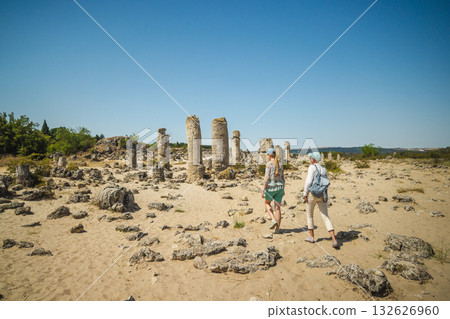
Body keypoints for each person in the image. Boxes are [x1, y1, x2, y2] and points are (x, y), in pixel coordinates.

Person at [303, 152, 338, 248]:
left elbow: (308, 181)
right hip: (322, 194)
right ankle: (334, 239)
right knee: (325, 216)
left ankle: (311, 237)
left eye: (310, 158)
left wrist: (305, 194)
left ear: (313, 159)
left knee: (309, 215)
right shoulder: (324, 169)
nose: (310, 159)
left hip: (313, 194)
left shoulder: (312, 167)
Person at [261, 148, 285, 232]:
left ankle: (273, 219)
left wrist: (263, 189)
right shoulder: (281, 164)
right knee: (278, 208)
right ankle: (277, 230)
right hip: (280, 187)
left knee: (267, 203)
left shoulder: (268, 164)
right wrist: (283, 189)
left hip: (270, 188)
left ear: (269, 155)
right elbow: (283, 177)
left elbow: (266, 178)